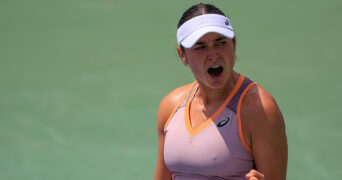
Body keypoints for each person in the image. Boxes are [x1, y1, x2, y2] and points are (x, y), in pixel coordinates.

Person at [154, 3, 287, 180]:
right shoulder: (170, 106)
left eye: (220, 43)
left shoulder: (259, 109)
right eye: (200, 47)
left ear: (234, 44)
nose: (213, 54)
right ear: (182, 55)